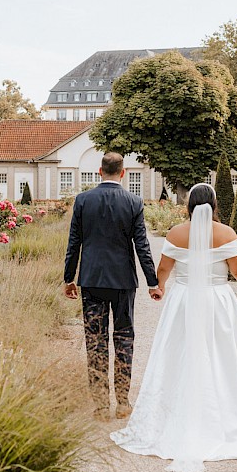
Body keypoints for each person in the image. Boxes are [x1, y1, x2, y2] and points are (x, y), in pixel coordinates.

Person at [110, 182, 237, 472]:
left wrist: (158, 288)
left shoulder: (176, 233)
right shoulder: (226, 233)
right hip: (218, 302)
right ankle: (225, 420)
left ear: (188, 207)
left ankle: (174, 419)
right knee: (222, 358)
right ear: (214, 205)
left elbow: (164, 268)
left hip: (183, 302)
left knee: (178, 356)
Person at [64, 152, 162, 421]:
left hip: (92, 280)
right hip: (122, 282)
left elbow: (75, 243)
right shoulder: (133, 201)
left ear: (99, 171)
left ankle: (99, 407)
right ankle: (122, 402)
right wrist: (152, 282)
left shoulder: (83, 200)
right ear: (123, 172)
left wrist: (68, 278)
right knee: (124, 339)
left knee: (95, 341)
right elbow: (142, 245)